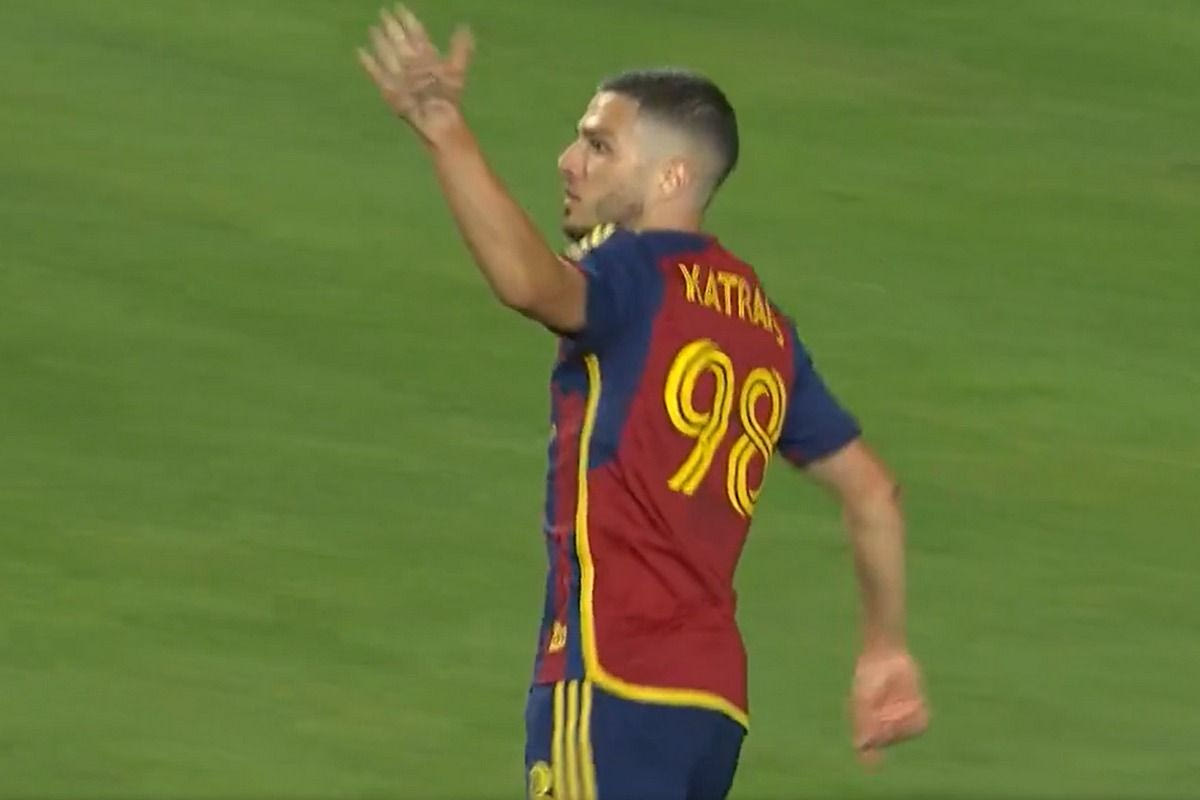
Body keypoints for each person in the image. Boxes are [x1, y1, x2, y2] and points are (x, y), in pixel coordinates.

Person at [357, 7, 929, 799]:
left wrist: (441, 128)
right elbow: (873, 492)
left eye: (599, 146)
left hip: (611, 679)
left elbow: (528, 283)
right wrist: (884, 647)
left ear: (671, 178)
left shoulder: (635, 276)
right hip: (710, 709)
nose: (568, 162)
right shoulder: (763, 326)